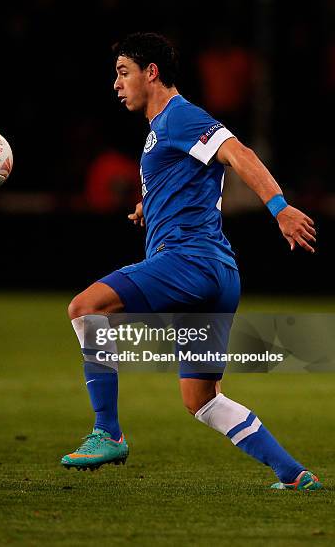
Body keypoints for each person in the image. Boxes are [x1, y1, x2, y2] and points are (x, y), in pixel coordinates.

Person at [61, 32, 321, 491]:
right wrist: (151, 205)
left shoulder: (180, 116)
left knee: (86, 308)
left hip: (190, 262)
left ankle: (108, 431)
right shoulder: (159, 132)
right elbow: (194, 176)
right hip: (219, 275)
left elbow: (236, 153)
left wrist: (280, 208)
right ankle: (295, 474)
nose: (117, 84)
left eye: (124, 73)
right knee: (201, 398)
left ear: (151, 72)